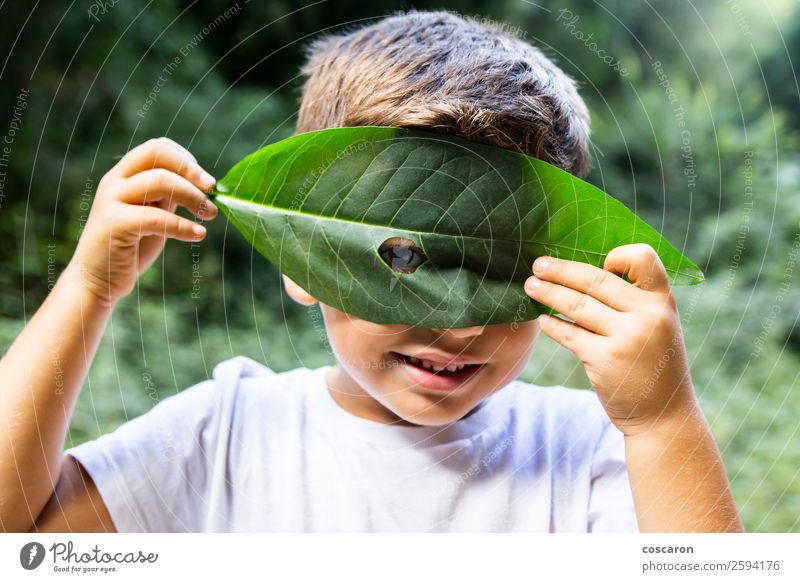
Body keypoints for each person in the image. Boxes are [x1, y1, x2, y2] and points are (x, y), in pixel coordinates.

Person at [0, 10, 743, 533]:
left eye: (502, 266)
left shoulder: (588, 450)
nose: (465, 321)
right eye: (405, 255)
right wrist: (87, 289)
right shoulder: (224, 435)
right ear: (303, 256)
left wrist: (662, 420)